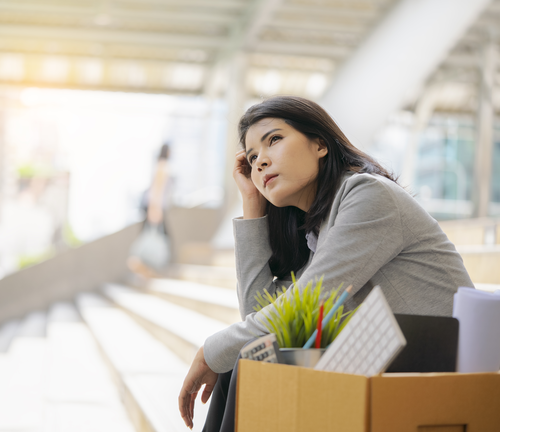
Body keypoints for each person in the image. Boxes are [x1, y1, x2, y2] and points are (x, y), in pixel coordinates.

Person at [177, 96, 474, 431]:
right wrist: (251, 204)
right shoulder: (317, 232)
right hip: (386, 370)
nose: (260, 163)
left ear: (319, 144)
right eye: (252, 158)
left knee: (241, 361)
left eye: (274, 140)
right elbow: (263, 317)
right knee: (246, 360)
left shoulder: (367, 194)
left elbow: (301, 307)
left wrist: (209, 351)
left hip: (435, 376)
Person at [128, 143, 173, 278]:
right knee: (159, 238)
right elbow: (157, 190)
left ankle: (147, 269)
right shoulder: (162, 166)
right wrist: (155, 209)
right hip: (155, 207)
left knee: (156, 237)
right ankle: (138, 262)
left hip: (154, 206)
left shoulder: (159, 166)